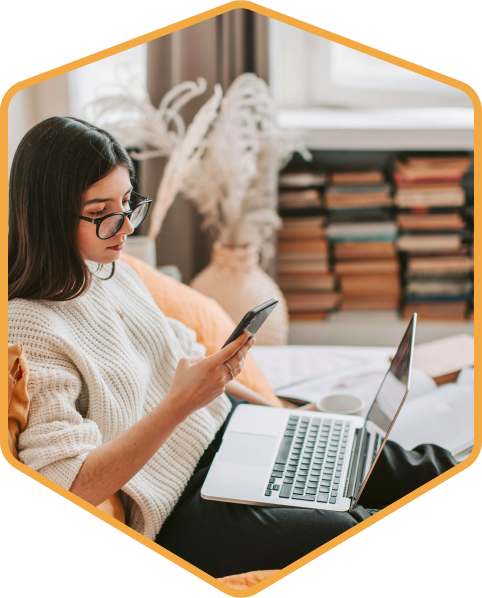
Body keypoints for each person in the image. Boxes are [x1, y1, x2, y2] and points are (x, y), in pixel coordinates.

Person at [8, 116, 456, 578]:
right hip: (177, 507)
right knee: (346, 525)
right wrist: (182, 403)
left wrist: (284, 413)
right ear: (49, 215)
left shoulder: (113, 270)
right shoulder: (28, 327)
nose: (124, 227)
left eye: (128, 203)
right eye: (102, 213)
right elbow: (70, 485)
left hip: (228, 431)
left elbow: (185, 362)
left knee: (403, 463)